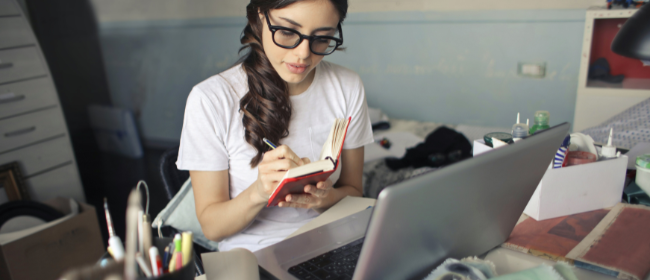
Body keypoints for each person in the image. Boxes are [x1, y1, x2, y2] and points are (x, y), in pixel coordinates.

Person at [176, 0, 373, 252]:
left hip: (331, 246)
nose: (303, 54)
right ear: (261, 15)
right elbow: (213, 228)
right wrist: (260, 191)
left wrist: (323, 198)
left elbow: (355, 192)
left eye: (322, 38)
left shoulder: (347, 86)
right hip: (253, 256)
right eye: (288, 32)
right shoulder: (211, 99)